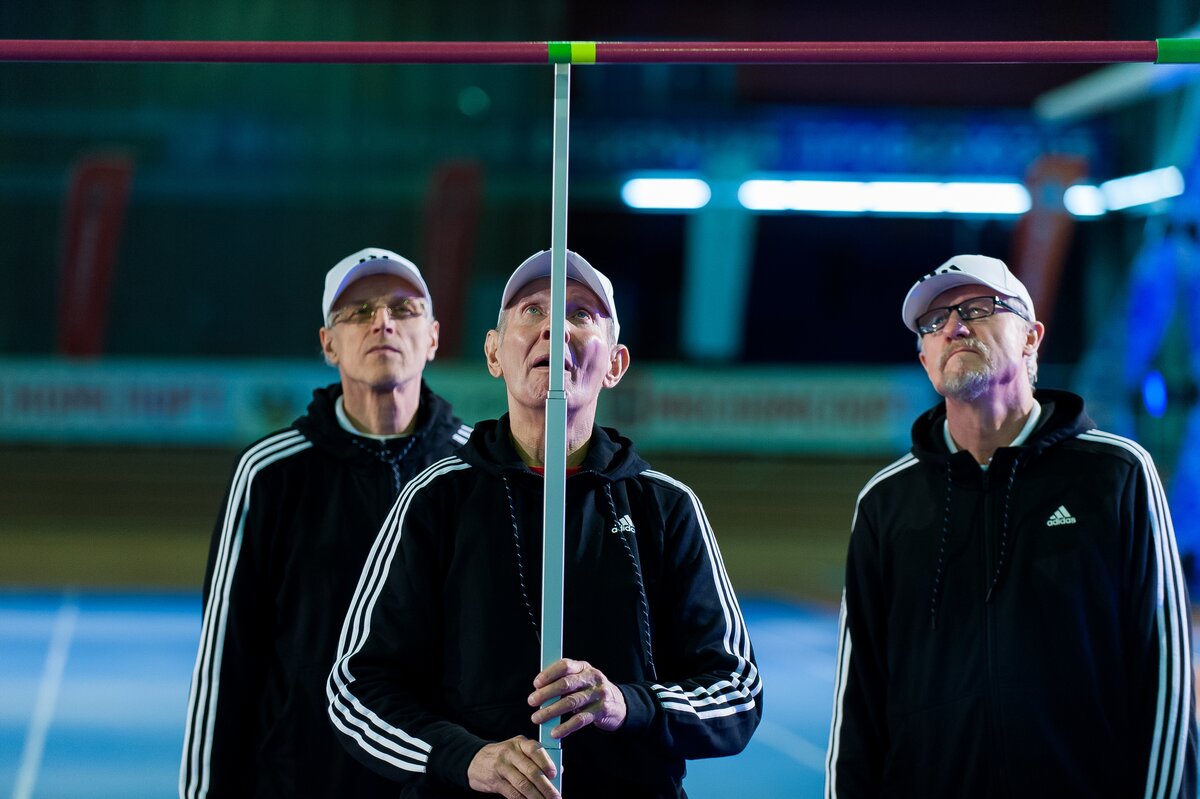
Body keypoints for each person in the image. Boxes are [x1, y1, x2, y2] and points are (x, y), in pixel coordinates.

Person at [326, 250, 762, 798]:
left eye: (581, 314)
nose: (555, 328)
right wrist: (468, 758)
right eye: (532, 310)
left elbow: (737, 692)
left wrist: (627, 704)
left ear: (615, 365)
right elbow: (356, 689)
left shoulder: (666, 506)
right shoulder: (435, 499)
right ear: (493, 353)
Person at [825, 254, 1198, 797]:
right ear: (926, 360)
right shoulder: (885, 504)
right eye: (934, 321)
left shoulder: (1116, 475)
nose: (954, 327)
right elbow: (858, 705)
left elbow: (1166, 681)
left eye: (978, 308)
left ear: (1031, 338)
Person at [180, 247, 472, 798]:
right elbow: (226, 666)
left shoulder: (477, 470)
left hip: (440, 786)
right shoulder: (269, 475)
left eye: (403, 308)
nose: (382, 322)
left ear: (433, 337)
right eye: (358, 312)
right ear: (328, 343)